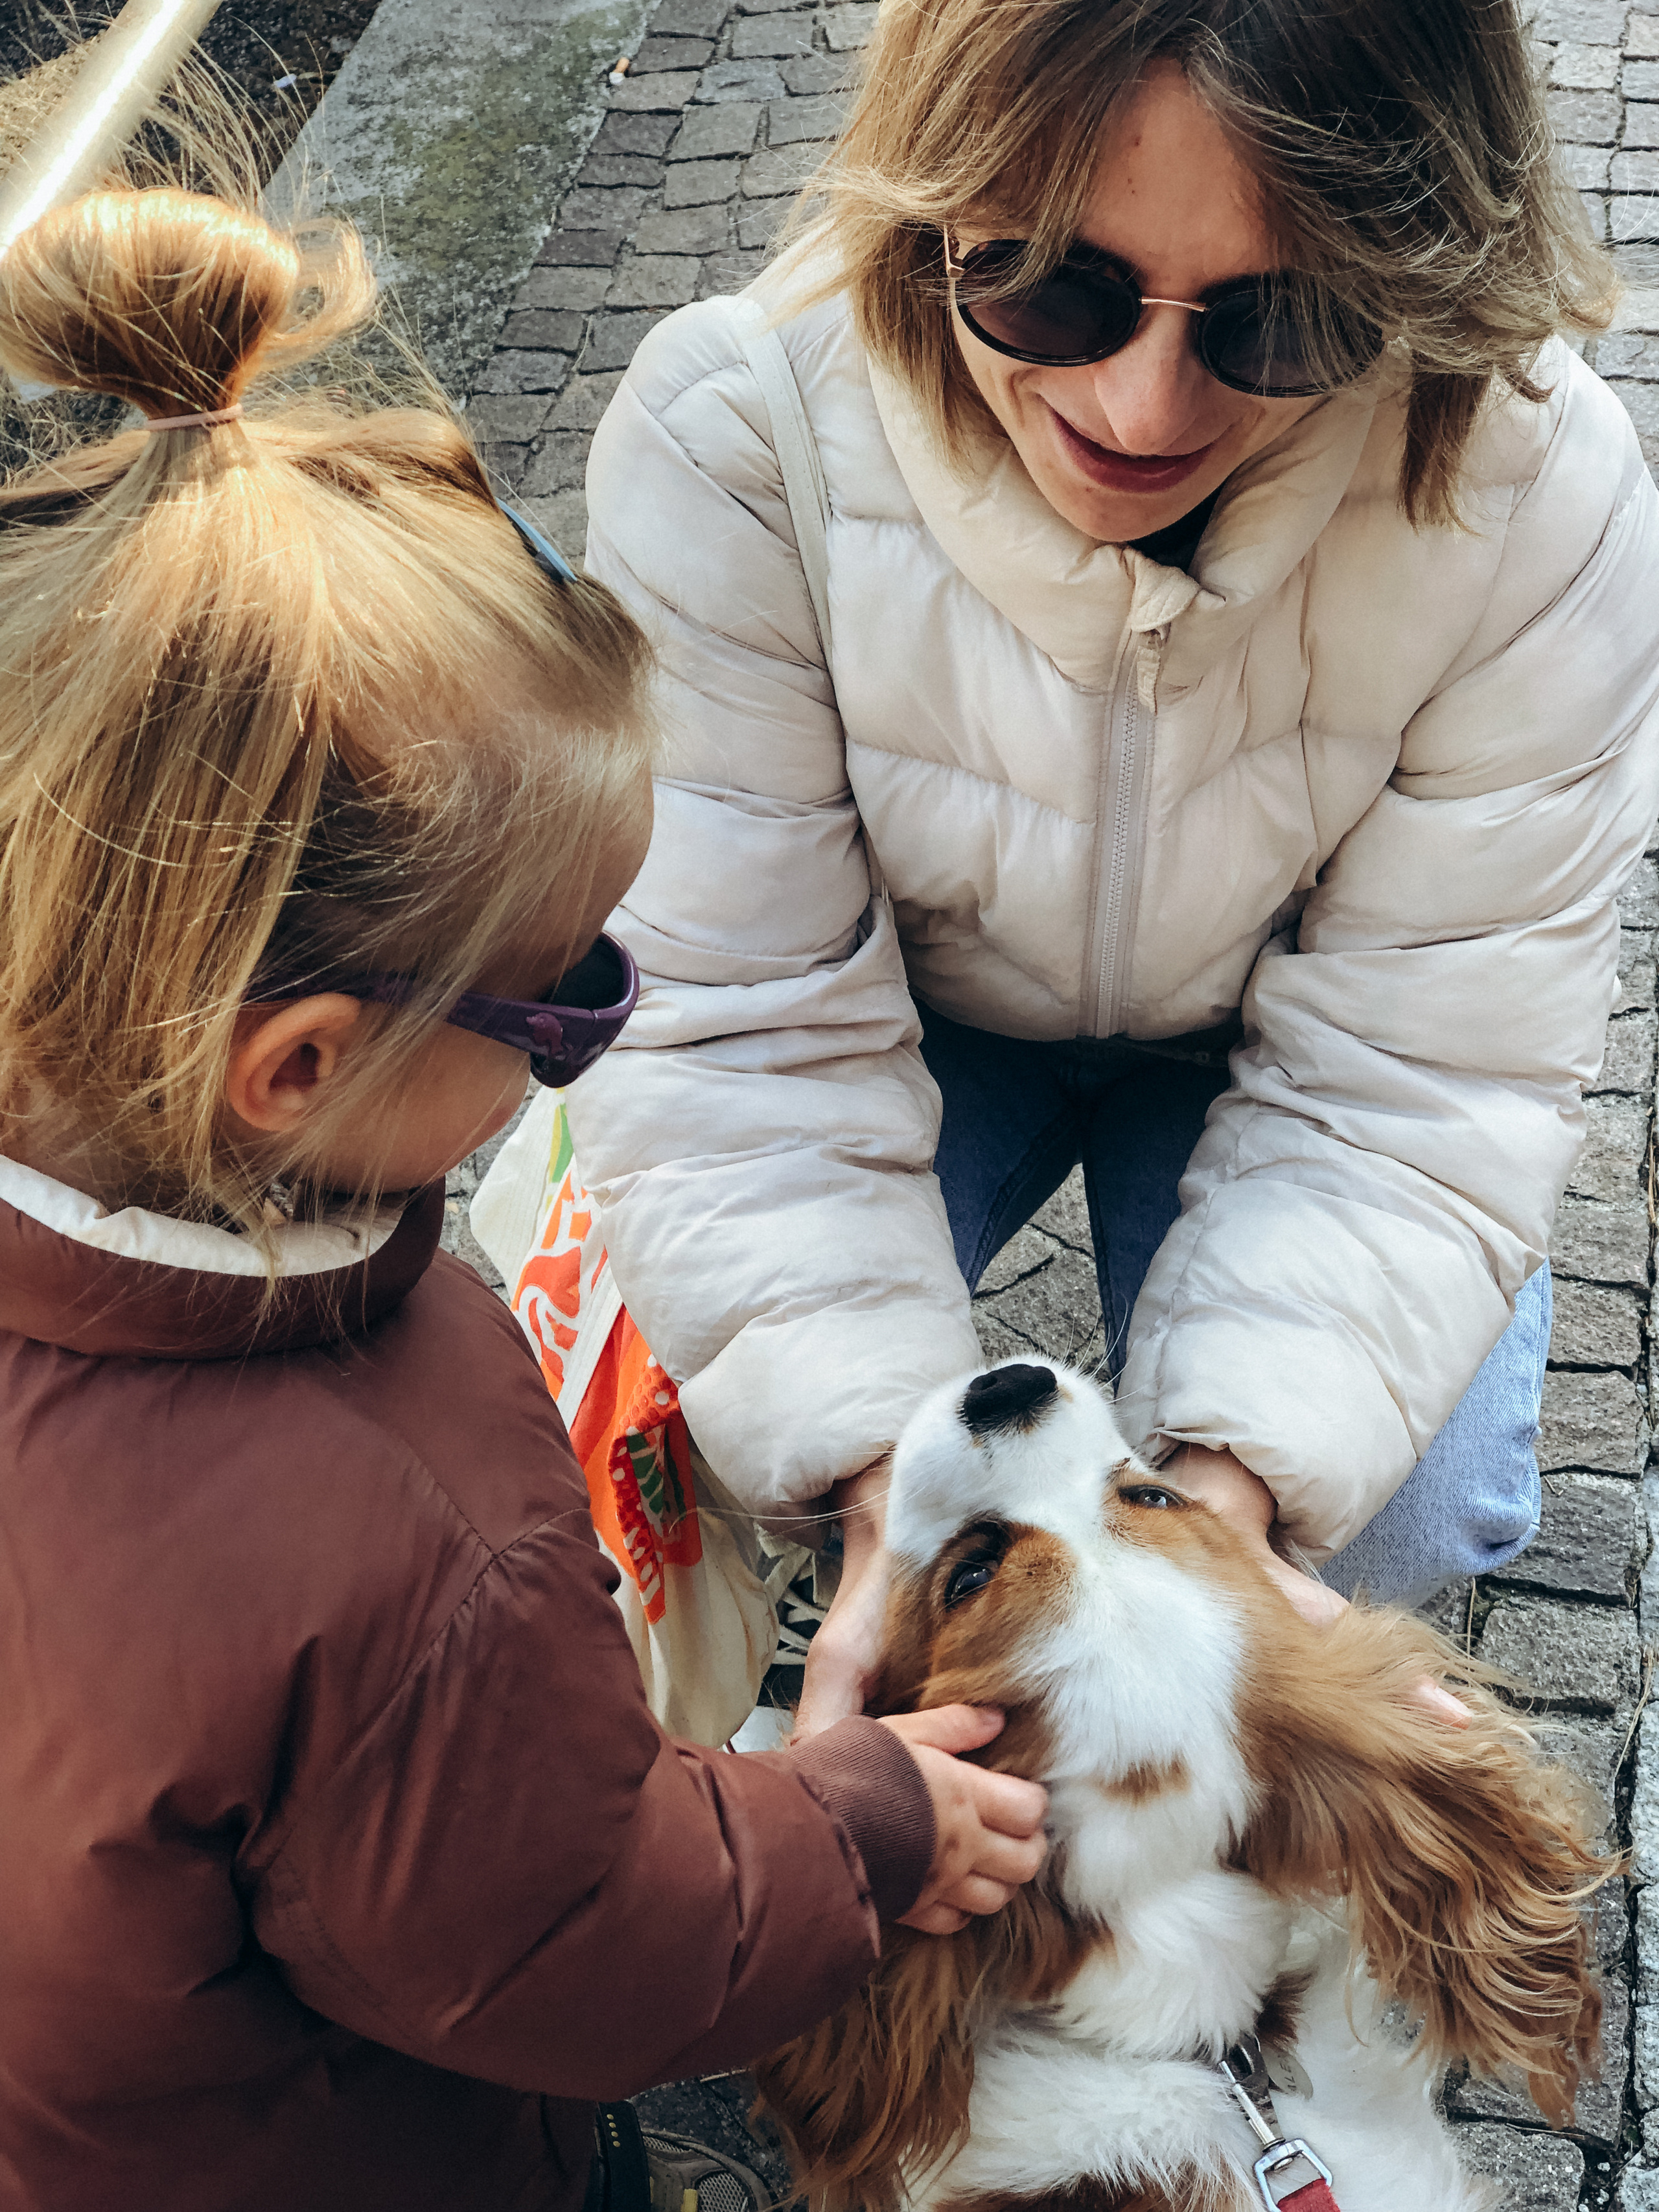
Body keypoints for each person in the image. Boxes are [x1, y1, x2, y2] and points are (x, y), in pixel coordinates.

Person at [0, 179, 1049, 2212]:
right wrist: (857, 1825)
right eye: (571, 988)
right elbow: (584, 1943)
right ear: (297, 1067)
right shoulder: (407, 1548)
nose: (605, 1021)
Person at [564, 0, 1659, 1732]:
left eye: (1285, 321)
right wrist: (909, 1513)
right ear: (931, 204)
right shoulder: (737, 430)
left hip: (1280, 1029)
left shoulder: (1543, 492)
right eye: (1049, 287)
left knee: (1386, 1520)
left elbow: (1429, 1064)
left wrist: (1212, 1532)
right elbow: (737, 1020)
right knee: (669, 1430)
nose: (1142, 405)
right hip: (889, 1004)